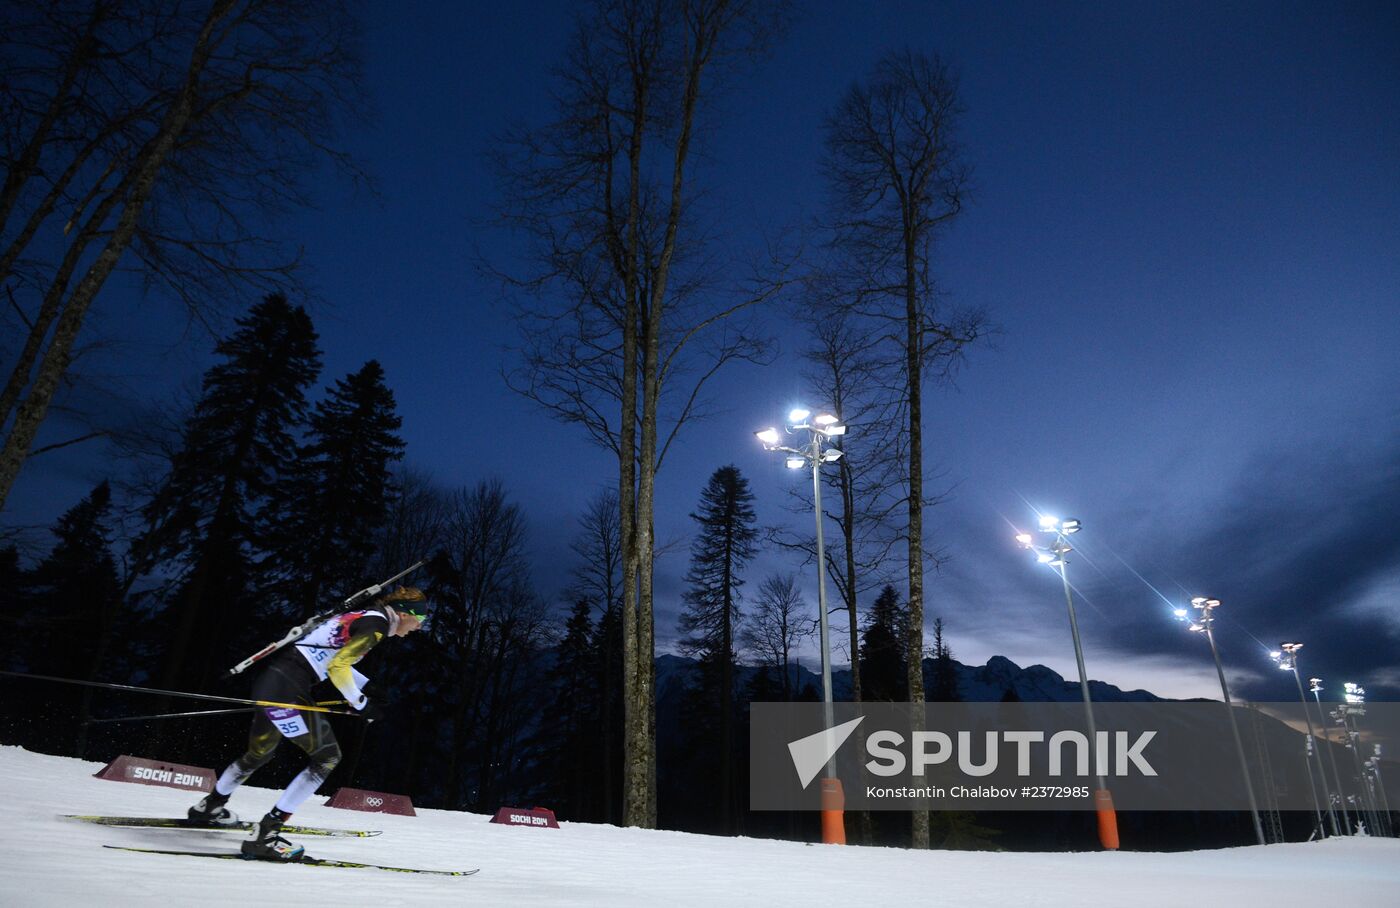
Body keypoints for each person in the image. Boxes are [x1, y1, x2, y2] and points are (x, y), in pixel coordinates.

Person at [188, 585, 428, 860]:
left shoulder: (367, 615)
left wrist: (367, 686)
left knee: (259, 753)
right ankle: (266, 834)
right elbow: (337, 667)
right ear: (404, 613)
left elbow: (330, 658)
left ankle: (209, 807)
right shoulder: (376, 625)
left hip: (273, 682)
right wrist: (361, 705)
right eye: (420, 621)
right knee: (327, 757)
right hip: (288, 691)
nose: (419, 628)